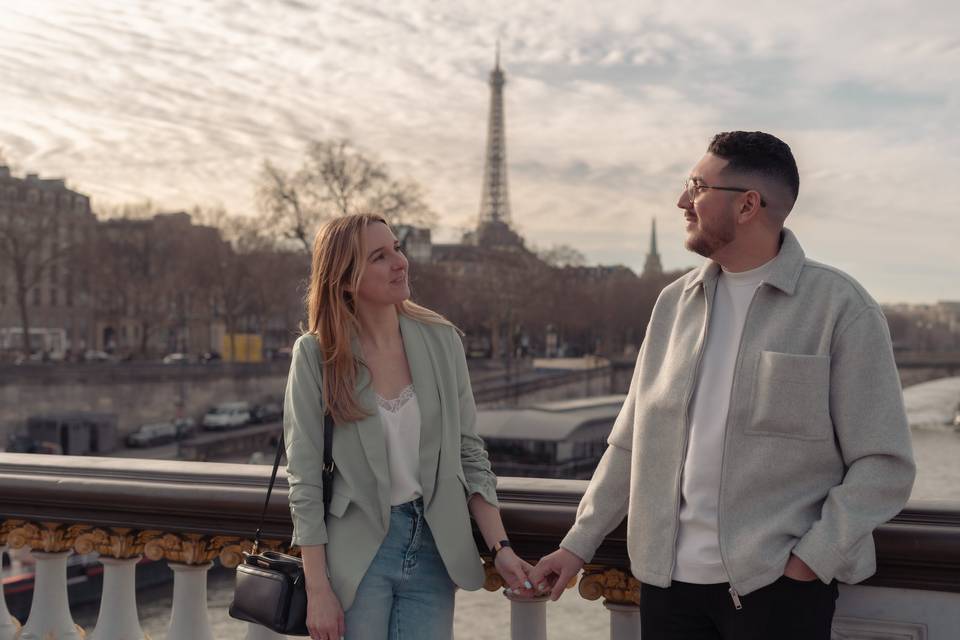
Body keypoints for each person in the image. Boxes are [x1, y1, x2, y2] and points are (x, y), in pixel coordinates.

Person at [529, 131, 915, 639]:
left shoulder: (839, 307)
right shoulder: (672, 304)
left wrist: (809, 561)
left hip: (776, 592)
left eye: (697, 186)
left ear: (748, 204)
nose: (682, 200)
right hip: (666, 591)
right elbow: (630, 443)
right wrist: (578, 543)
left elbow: (884, 464)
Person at [283, 213, 533, 640]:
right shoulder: (316, 356)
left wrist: (501, 547)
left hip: (434, 547)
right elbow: (304, 481)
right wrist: (318, 588)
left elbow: (468, 453)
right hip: (358, 555)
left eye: (397, 248)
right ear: (344, 280)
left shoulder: (442, 341)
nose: (400, 262)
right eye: (380, 256)